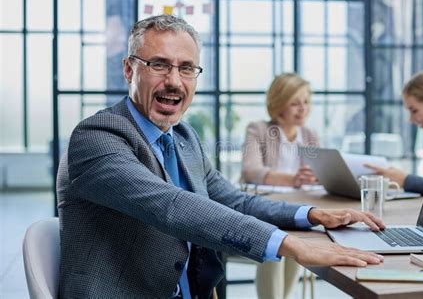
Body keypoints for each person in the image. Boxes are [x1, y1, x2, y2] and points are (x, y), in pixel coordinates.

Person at [56, 15, 384, 298]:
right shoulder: (97, 137)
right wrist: (287, 243)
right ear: (129, 70)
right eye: (159, 65)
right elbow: (170, 205)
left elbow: (234, 201)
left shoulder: (184, 137)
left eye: (186, 68)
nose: (173, 81)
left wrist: (311, 214)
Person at [241, 73, 319, 298]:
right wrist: (293, 179)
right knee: (274, 240)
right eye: (295, 103)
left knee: (297, 239)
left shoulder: (309, 135)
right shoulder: (258, 129)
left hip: (297, 210)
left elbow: (319, 175)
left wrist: (316, 177)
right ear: (278, 104)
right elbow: (251, 171)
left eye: (306, 102)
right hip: (264, 210)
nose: (302, 108)